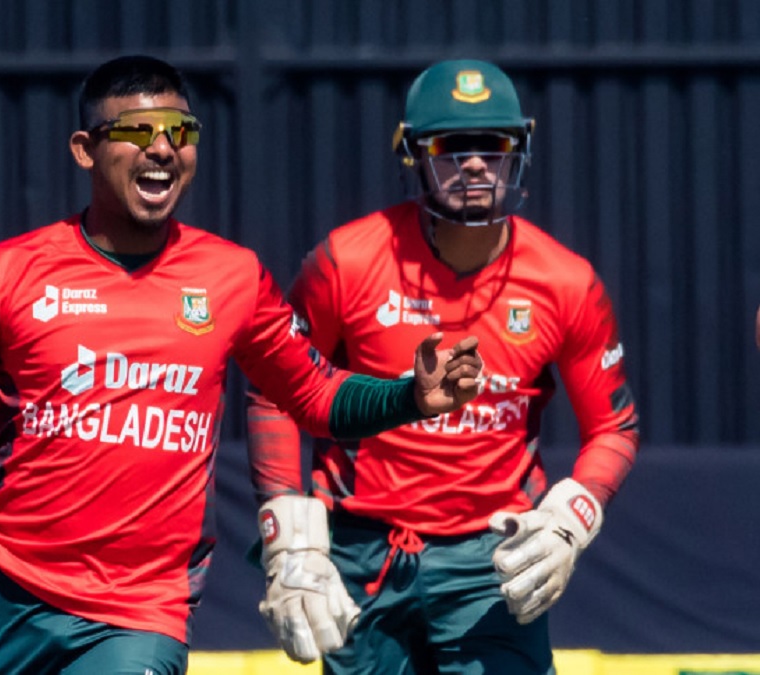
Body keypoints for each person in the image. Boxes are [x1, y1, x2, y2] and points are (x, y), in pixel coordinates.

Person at [0, 55, 483, 675]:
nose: (162, 148)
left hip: (139, 614)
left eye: (181, 132)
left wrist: (408, 397)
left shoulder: (232, 276)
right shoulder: (11, 272)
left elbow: (316, 397)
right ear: (84, 149)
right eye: (137, 131)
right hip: (4, 591)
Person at [246, 59, 641, 673]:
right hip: (361, 550)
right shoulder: (347, 261)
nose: (475, 163)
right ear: (413, 154)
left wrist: (571, 518)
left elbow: (613, 428)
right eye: (452, 145)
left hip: (494, 558)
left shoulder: (566, 281)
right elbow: (275, 389)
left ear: (519, 151)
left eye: (493, 145)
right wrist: (288, 536)